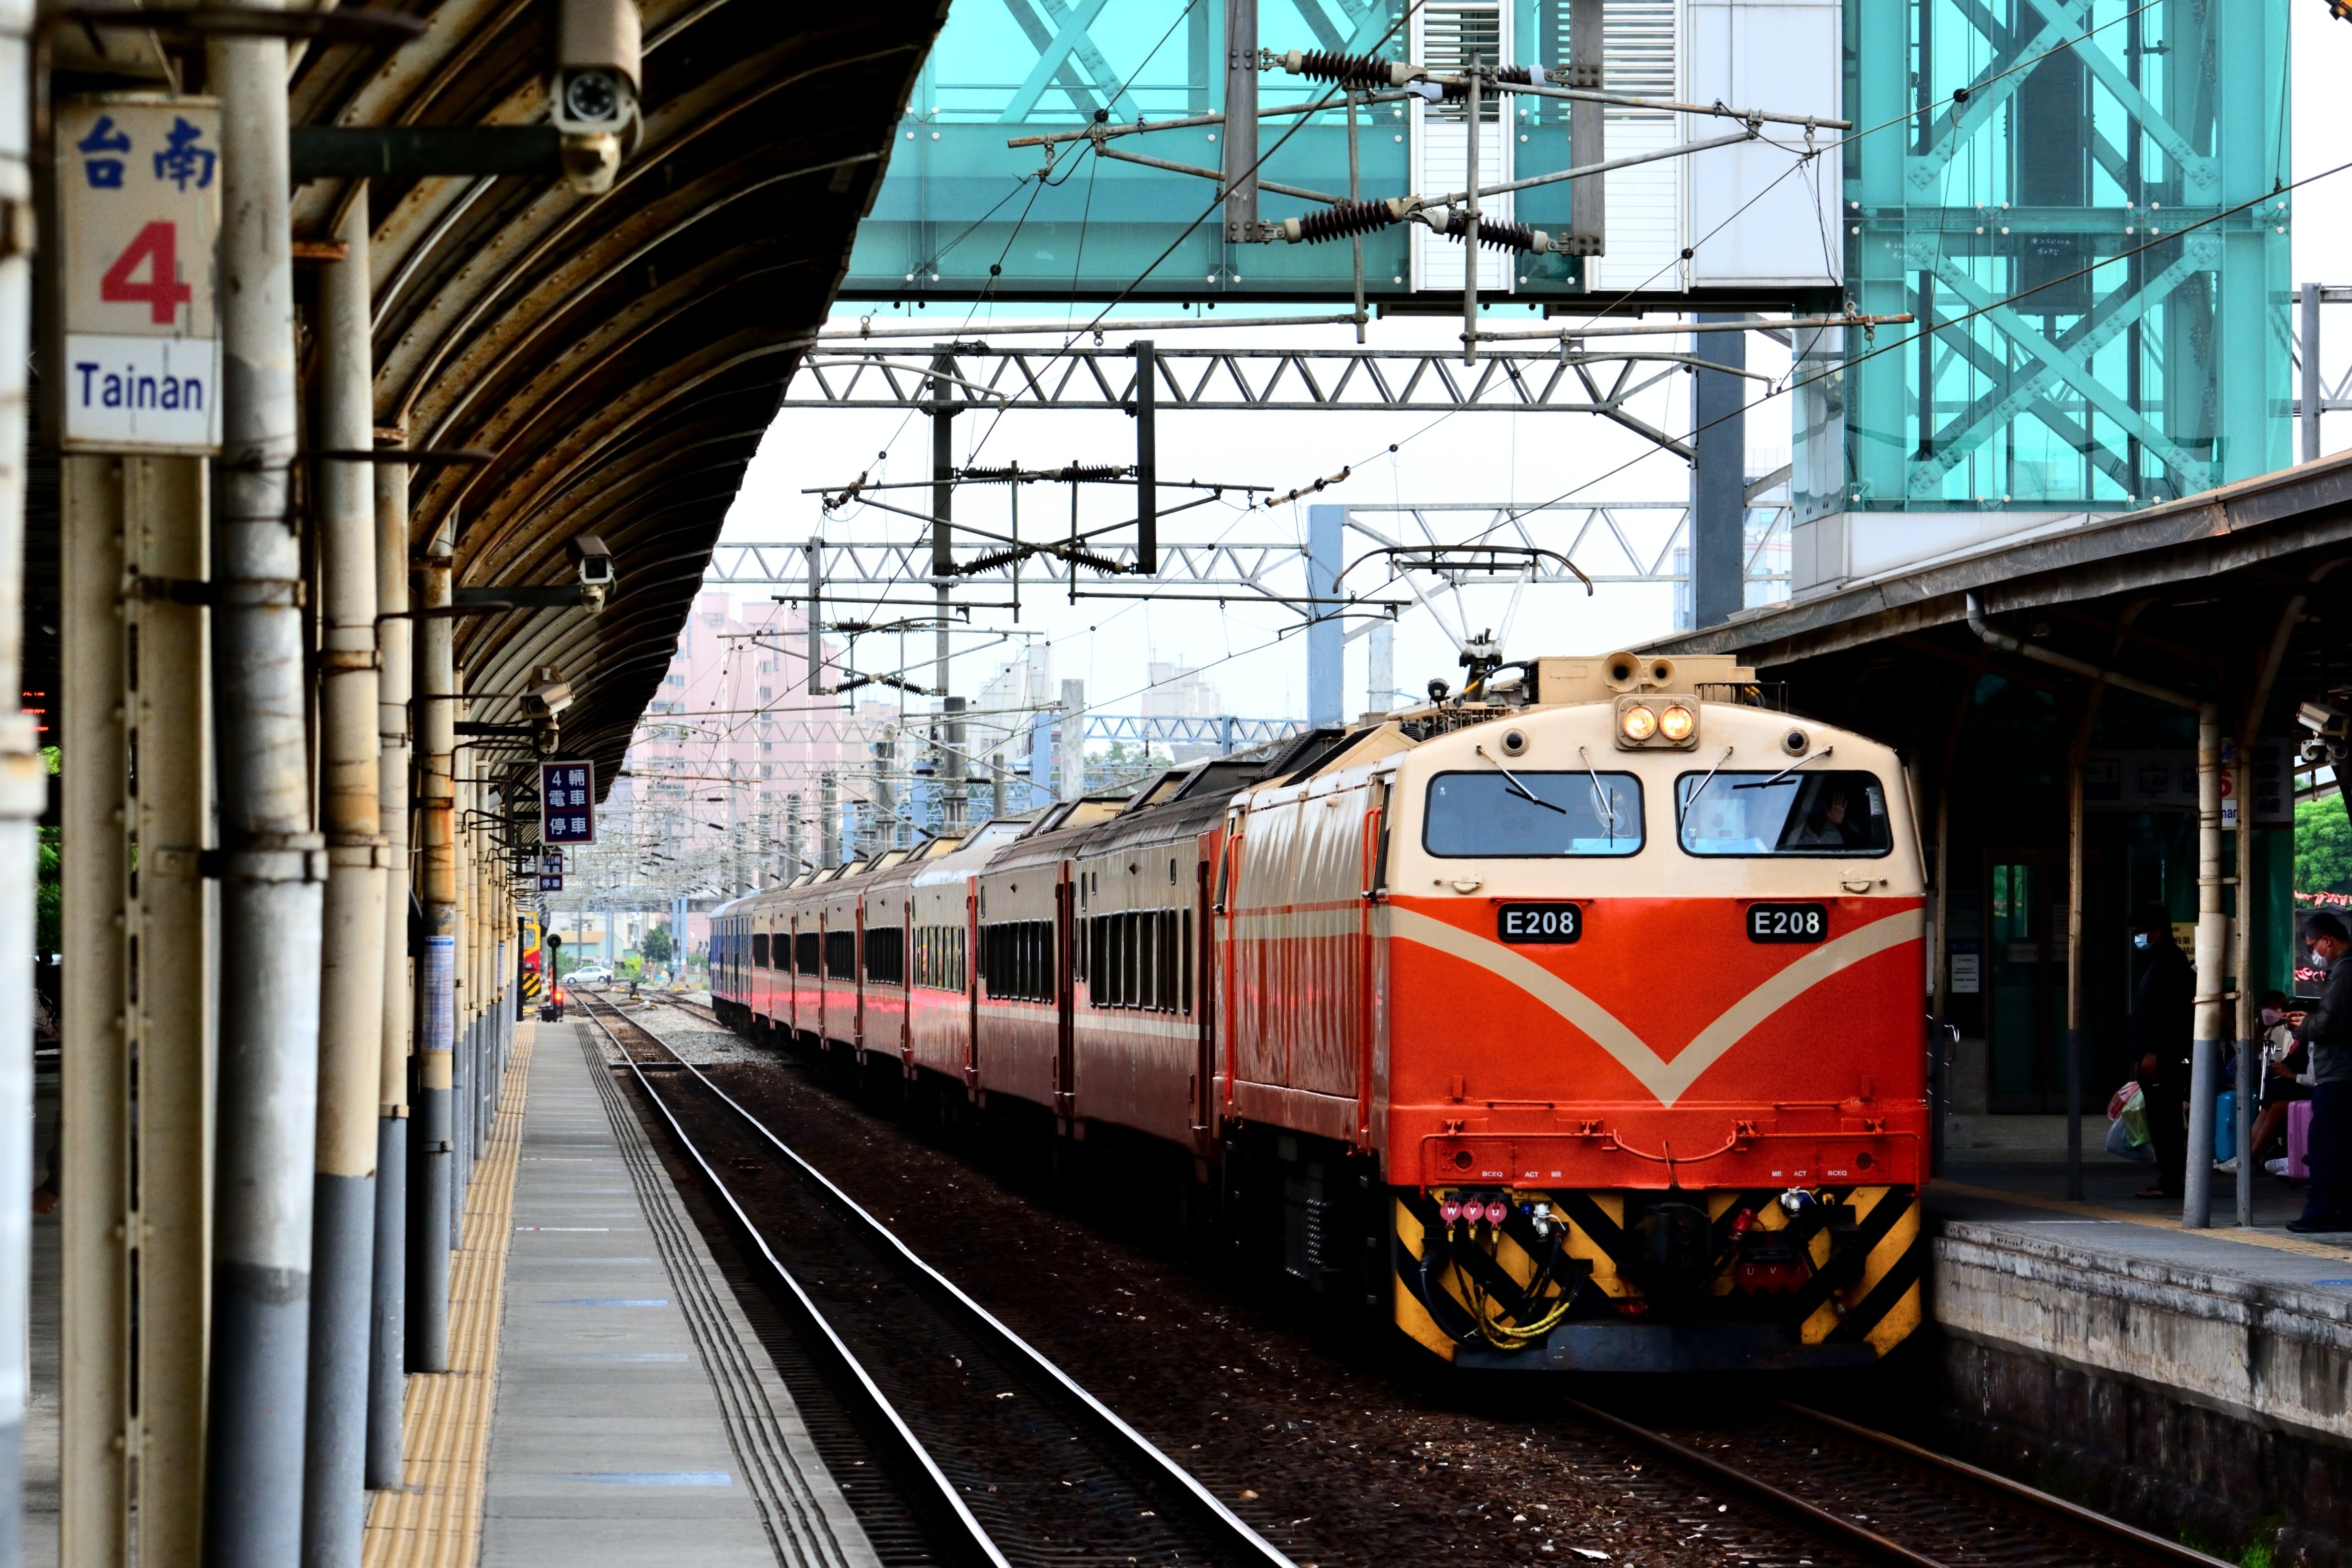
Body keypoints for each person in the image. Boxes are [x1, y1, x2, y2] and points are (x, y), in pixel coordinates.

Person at [2285, 914, 2352, 1232]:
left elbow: (2329, 1024)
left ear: (2328, 940)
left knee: (2325, 1150)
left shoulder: (2344, 970)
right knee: (2342, 1149)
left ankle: (2321, 1213)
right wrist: (2310, 1018)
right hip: (2343, 1072)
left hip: (2339, 1073)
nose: (2315, 953)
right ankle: (2344, 1212)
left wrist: (2306, 1025)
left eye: (2314, 946)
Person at [2128, 903, 2194, 1201]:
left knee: (2165, 1120)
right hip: (2155, 1053)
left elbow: (2168, 1015)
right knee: (2161, 1119)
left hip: (2162, 1056)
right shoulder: (2160, 960)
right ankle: (2170, 1177)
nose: (2137, 938)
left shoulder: (2170, 963)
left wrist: (2153, 1052)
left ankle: (2172, 1180)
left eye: (2140, 933)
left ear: (2156, 931)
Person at [2245, 990, 2311, 1174]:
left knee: (2278, 1102)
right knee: (2275, 1093)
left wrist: (2291, 1075)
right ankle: (2247, 1156)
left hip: (2315, 1089)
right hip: (2300, 1086)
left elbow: (2315, 1077)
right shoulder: (2302, 1042)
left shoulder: (2312, 1044)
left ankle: (2250, 1158)